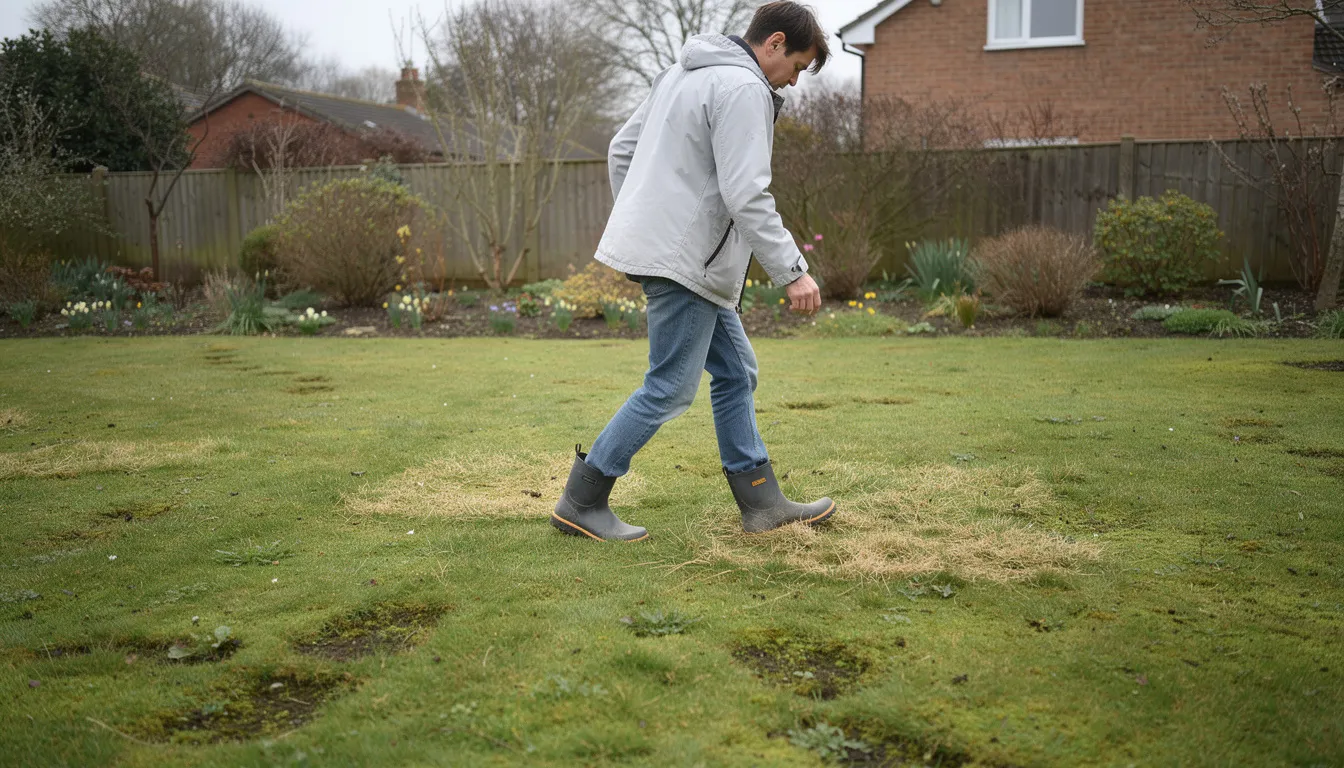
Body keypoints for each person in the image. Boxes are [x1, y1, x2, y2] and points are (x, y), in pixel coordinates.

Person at [551, 1, 834, 543]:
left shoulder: (679, 74)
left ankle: (761, 501)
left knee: (736, 371)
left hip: (675, 255)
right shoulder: (745, 88)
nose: (793, 82)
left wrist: (645, 227)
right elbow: (747, 193)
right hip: (688, 261)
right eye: (797, 67)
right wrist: (793, 271)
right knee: (669, 387)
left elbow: (621, 151)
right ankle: (582, 499)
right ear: (774, 43)